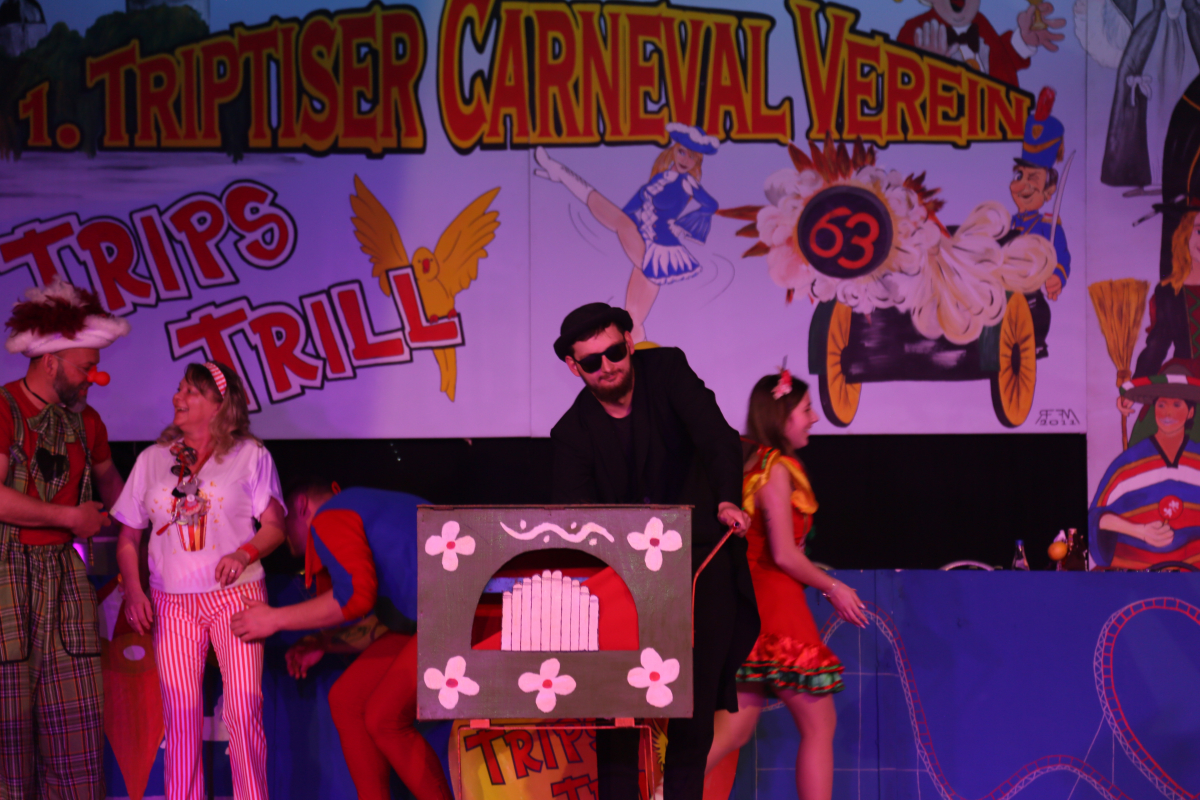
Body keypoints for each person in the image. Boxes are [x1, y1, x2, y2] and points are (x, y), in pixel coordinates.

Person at [549, 302, 759, 800]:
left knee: (694, 711)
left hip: (699, 563)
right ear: (574, 367)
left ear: (628, 341)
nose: (607, 367)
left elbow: (717, 438)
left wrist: (727, 498)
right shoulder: (570, 434)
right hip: (621, 582)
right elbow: (577, 523)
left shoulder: (668, 370)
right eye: (592, 361)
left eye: (614, 352)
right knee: (616, 713)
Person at [112, 361, 285, 800]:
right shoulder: (152, 460)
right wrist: (134, 591)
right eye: (179, 388)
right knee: (181, 716)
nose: (179, 397)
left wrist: (244, 553)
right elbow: (129, 536)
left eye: (191, 391)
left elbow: (275, 527)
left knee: (243, 712)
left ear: (219, 405)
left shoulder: (249, 455)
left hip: (236, 597)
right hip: (172, 602)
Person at [228, 479, 454, 800]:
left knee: (384, 718)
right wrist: (325, 643)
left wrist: (273, 619)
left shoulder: (332, 514)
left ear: (301, 506)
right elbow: (383, 622)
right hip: (435, 618)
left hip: (463, 610)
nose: (277, 531)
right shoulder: (363, 512)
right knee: (347, 699)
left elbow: (355, 598)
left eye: (280, 519)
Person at [705, 370, 867, 800]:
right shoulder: (774, 468)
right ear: (781, 415)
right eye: (806, 409)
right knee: (820, 725)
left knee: (735, 727)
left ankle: (663, 789)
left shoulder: (754, 465)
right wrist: (833, 587)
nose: (813, 418)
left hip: (749, 605)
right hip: (776, 605)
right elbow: (784, 554)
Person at [0, 280, 128, 798]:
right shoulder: (4, 408)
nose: (94, 377)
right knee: (9, 737)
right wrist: (70, 517)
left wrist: (152, 522)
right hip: (7, 580)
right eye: (85, 367)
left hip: (65, 580)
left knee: (75, 732)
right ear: (50, 361)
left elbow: (113, 486)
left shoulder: (87, 421)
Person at [533, 124, 721, 342]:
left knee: (620, 224)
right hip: (645, 240)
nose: (685, 159)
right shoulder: (659, 178)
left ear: (697, 162)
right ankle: (638, 358)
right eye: (682, 152)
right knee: (632, 319)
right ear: (674, 151)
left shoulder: (688, 183)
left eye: (692, 157)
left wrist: (682, 225)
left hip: (661, 248)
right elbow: (629, 210)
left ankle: (562, 173)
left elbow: (711, 204)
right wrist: (634, 226)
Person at [1094, 363, 1200, 568]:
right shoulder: (1128, 462)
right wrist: (1140, 531)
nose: (1167, 413)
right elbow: (1098, 518)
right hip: (1136, 572)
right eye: (1161, 405)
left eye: (1176, 405)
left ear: (1190, 412)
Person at [1000, 86, 1071, 359]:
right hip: (998, 296)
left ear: (1049, 191)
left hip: (1029, 298)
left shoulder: (1048, 226)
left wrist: (1057, 277)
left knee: (1036, 315)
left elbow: (1062, 256)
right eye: (1019, 176)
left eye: (1033, 179)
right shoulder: (1004, 223)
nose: (1022, 186)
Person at [898, 0, 1065, 86]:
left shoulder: (980, 23)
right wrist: (926, 68)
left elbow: (999, 63)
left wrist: (1022, 40)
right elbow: (896, 90)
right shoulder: (914, 31)